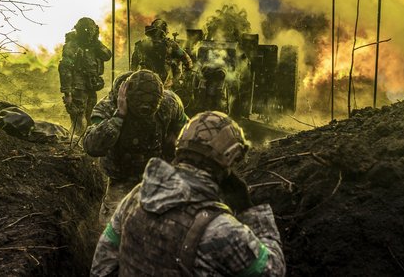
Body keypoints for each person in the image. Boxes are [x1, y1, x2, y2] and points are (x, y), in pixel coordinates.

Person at [91, 111, 286, 276]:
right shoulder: (223, 230)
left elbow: (102, 264)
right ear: (227, 162)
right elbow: (274, 270)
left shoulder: (138, 195)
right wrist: (250, 212)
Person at [83, 69, 188, 225]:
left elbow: (187, 131)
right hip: (121, 177)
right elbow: (92, 146)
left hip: (158, 174)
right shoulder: (109, 106)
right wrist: (118, 117)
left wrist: (176, 140)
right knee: (114, 229)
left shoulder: (169, 103)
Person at [58, 17, 112, 136]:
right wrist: (67, 93)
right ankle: (73, 145)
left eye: (90, 31)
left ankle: (85, 145)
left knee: (90, 117)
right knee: (78, 119)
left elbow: (107, 55)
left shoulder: (94, 45)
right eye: (86, 31)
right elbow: (64, 68)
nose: (88, 34)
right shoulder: (72, 45)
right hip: (77, 87)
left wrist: (96, 42)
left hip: (91, 85)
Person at [130, 18, 193, 87]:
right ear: (165, 31)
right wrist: (187, 70)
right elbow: (186, 60)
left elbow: (133, 66)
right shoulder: (171, 44)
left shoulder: (140, 45)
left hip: (144, 83)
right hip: (165, 85)